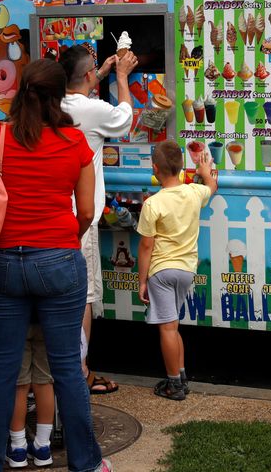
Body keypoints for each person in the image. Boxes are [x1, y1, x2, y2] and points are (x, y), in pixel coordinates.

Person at [0, 59, 113, 472]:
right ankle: (86, 463)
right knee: (66, 369)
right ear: (60, 95)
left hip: (4, 261)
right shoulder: (74, 142)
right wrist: (67, 241)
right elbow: (87, 211)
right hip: (60, 258)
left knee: (2, 367)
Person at [61, 44, 139, 395]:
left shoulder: (52, 103)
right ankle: (79, 371)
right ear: (88, 76)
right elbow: (124, 118)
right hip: (80, 218)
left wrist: (100, 74)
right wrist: (122, 76)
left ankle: (58, 371)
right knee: (83, 298)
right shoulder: (94, 110)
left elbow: (81, 100)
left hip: (53, 217)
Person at [137, 141, 217, 401]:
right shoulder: (194, 192)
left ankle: (174, 385)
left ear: (155, 168)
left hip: (161, 271)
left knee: (167, 328)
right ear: (182, 168)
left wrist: (142, 282)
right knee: (174, 326)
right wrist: (204, 171)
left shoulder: (152, 204)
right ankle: (180, 375)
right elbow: (211, 187)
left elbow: (146, 246)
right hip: (186, 270)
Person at [5, 324, 55, 468]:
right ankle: (43, 446)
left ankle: (18, 447)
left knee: (19, 384)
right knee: (45, 381)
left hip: (17, 315)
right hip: (45, 316)